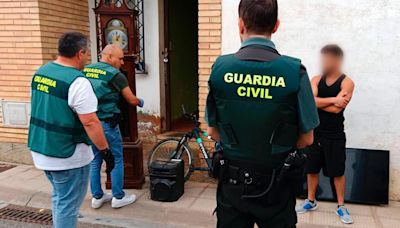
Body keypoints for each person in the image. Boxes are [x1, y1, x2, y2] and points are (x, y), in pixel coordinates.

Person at [205, 0, 320, 227]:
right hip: (277, 186)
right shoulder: (295, 71)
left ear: (240, 25)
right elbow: (307, 138)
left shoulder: (220, 68)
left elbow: (213, 131)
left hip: (233, 185)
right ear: (276, 25)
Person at [28, 32, 114, 228]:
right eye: (87, 53)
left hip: (41, 148)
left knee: (60, 197)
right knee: (68, 204)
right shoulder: (77, 81)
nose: (88, 57)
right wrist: (105, 150)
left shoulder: (42, 72)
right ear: (80, 53)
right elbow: (91, 122)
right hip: (67, 155)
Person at [296, 45, 355, 224]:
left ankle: (341, 206)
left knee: (337, 171)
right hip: (315, 132)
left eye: (328, 59)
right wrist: (333, 99)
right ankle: (311, 201)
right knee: (312, 168)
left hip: (335, 134)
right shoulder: (315, 79)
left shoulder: (347, 82)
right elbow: (310, 102)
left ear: (337, 60)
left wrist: (324, 103)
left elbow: (338, 109)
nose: (324, 62)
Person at [83, 44, 144, 209]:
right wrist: (140, 102)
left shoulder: (86, 70)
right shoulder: (116, 75)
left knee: (95, 160)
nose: (123, 62)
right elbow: (131, 100)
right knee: (117, 159)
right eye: (120, 58)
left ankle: (97, 197)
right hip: (108, 124)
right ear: (109, 56)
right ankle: (118, 197)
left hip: (90, 123)